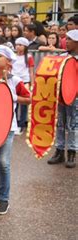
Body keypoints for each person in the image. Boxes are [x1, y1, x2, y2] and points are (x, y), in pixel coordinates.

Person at [0, 45, 31, 215]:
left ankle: (4, 199)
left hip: (8, 127)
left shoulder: (15, 81)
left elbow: (28, 98)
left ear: (8, 62)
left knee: (3, 163)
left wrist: (12, 97)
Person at [47, 29, 77, 168]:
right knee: (60, 123)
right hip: (61, 96)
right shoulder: (62, 56)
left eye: (70, 40)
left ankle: (72, 151)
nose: (67, 42)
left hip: (75, 97)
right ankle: (59, 151)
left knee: (73, 125)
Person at [11, 37, 34, 136]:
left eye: (20, 45)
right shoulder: (13, 56)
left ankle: (21, 125)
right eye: (17, 45)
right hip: (14, 82)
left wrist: (32, 84)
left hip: (24, 81)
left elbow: (31, 71)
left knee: (24, 104)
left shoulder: (28, 57)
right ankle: (15, 123)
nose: (18, 47)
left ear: (25, 47)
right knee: (14, 104)